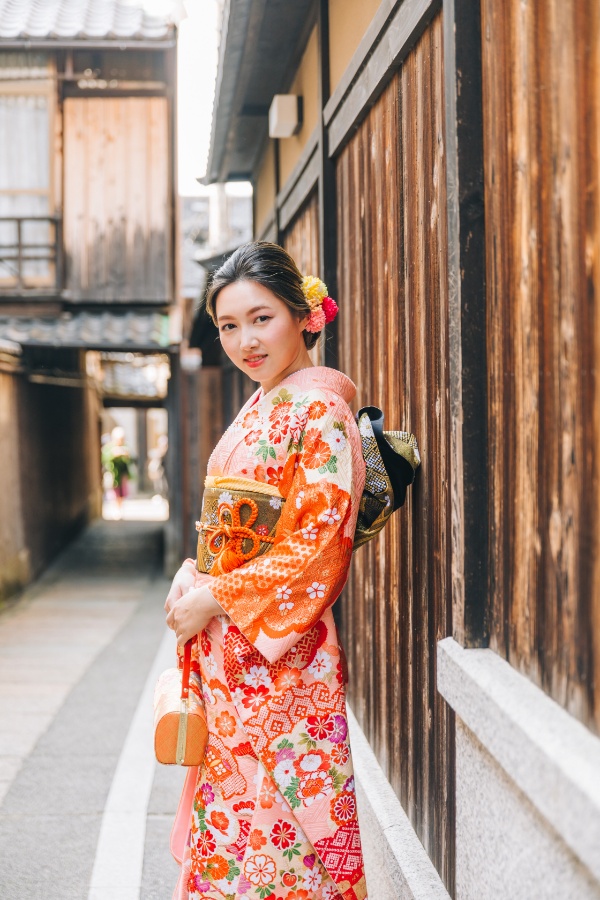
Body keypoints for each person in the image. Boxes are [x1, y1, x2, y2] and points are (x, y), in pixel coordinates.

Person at [164, 242, 368, 900]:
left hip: (283, 666)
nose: (245, 341)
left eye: (261, 319)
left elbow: (317, 542)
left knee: (285, 845)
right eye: (229, 326)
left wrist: (216, 594)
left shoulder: (317, 410)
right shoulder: (265, 403)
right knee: (232, 828)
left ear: (303, 315)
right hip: (235, 659)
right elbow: (238, 531)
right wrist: (195, 575)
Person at [102, 426, 132, 519]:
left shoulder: (125, 447)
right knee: (114, 493)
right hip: (113, 474)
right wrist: (114, 454)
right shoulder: (109, 447)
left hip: (122, 474)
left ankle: (120, 509)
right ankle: (115, 509)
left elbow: (129, 461)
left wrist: (125, 456)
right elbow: (105, 459)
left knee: (122, 493)